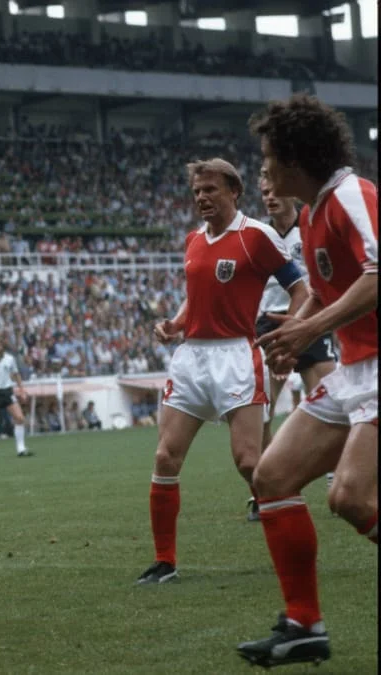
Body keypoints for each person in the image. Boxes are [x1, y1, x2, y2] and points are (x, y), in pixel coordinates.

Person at [237, 94, 377, 667]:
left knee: (350, 497)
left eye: (269, 157)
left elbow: (377, 274)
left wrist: (310, 328)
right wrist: (293, 330)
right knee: (271, 477)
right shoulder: (315, 212)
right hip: (355, 370)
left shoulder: (351, 195)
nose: (264, 169)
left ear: (296, 158)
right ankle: (303, 626)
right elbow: (322, 287)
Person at [139, 158, 308, 586]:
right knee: (165, 457)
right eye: (197, 191)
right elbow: (195, 296)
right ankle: (164, 562)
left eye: (210, 189)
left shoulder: (257, 236)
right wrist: (175, 324)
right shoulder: (194, 239)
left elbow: (300, 288)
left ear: (234, 191)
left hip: (236, 356)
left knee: (250, 462)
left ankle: (292, 538)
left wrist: (294, 330)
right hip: (192, 357)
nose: (202, 197)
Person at [247, 168, 339, 522]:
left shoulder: (310, 223)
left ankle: (336, 472)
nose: (269, 197)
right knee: (261, 409)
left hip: (309, 318)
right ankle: (265, 487)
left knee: (332, 398)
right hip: (269, 323)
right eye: (264, 192)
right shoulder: (258, 235)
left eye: (274, 191)